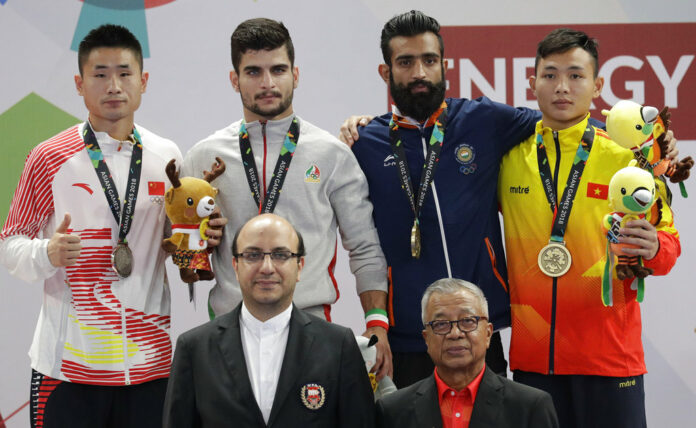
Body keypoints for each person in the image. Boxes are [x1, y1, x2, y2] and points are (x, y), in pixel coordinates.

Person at [0, 25, 224, 427]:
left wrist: (200, 244)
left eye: (124, 73)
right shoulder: (49, 157)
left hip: (149, 367)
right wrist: (45, 253)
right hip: (66, 369)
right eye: (100, 74)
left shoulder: (165, 155)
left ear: (143, 81)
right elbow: (9, 242)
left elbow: (182, 244)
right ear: (79, 84)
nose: (114, 85)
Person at [182, 18, 392, 378]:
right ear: (234, 79)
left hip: (311, 330)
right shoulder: (203, 157)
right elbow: (188, 265)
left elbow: (365, 247)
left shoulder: (332, 154)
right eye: (253, 72)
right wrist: (196, 248)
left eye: (278, 70)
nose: (267, 83)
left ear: (295, 74)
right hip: (229, 332)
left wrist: (377, 322)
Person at [343, 10, 543, 387]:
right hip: (406, 332)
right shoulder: (365, 142)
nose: (419, 72)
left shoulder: (483, 119)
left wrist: (643, 138)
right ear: (386, 73)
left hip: (477, 329)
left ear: (444, 66)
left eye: (429, 60)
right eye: (405, 62)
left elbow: (566, 125)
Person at [497, 28, 681, 428]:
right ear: (532, 84)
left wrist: (653, 246)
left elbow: (668, 247)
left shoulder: (629, 159)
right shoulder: (509, 158)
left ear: (597, 85)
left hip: (611, 359)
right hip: (533, 360)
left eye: (576, 75)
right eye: (550, 75)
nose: (562, 86)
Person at [163, 214, 376, 427]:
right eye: (253, 255)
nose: (266, 267)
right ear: (235, 266)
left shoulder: (338, 346)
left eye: (281, 255)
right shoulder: (194, 348)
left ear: (300, 266)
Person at [376, 278, 559, 428]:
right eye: (440, 324)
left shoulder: (529, 407)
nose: (455, 334)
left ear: (488, 333)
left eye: (467, 321)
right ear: (426, 338)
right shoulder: (393, 411)